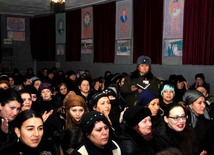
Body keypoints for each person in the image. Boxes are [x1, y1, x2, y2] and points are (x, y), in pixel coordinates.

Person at [183, 90, 214, 154]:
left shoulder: (207, 116)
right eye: (199, 103)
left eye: (204, 102)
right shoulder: (184, 121)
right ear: (190, 105)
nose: (203, 106)